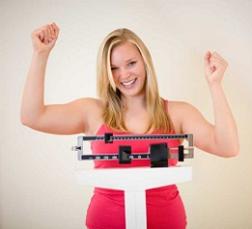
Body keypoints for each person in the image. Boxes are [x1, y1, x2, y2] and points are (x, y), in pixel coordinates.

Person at [20, 22, 239, 229]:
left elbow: (227, 146)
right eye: (114, 68)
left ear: (145, 62)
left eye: (131, 63)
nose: (124, 75)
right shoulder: (93, 112)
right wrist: (41, 54)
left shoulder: (177, 113)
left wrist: (215, 85)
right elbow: (32, 116)